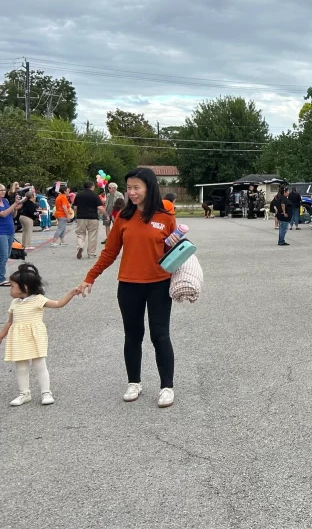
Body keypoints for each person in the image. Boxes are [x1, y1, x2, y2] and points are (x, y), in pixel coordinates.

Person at [77, 167, 181, 409]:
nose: (132, 192)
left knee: (160, 335)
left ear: (149, 188)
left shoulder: (165, 216)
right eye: (129, 188)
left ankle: (167, 386)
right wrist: (89, 277)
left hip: (158, 285)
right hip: (129, 286)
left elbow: (172, 254)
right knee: (133, 336)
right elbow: (110, 252)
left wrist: (176, 245)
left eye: (137, 187)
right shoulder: (124, 217)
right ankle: (134, 382)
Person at [0, 263, 79, 406]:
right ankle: (24, 394)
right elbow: (9, 322)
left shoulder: (38, 300)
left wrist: (71, 293)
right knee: (21, 366)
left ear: (24, 288)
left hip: (35, 338)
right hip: (18, 339)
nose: (10, 289)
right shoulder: (14, 303)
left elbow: (58, 304)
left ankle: (46, 392)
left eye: (12, 286)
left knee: (39, 365)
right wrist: (1, 335)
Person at [73, 181, 103, 260]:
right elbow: (100, 207)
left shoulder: (78, 195)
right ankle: (91, 254)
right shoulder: (95, 195)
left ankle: (80, 247)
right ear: (92, 186)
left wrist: (76, 216)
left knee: (80, 234)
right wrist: (106, 215)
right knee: (92, 235)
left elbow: (75, 207)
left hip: (81, 217)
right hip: (93, 217)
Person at [0, 184, 21, 287]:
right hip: (1, 232)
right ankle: (1, 278)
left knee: (7, 255)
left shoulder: (5, 201)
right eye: (1, 190)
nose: (3, 192)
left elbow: (12, 215)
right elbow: (3, 214)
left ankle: (2, 276)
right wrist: (14, 204)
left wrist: (15, 208)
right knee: (3, 255)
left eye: (4, 190)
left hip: (10, 231)